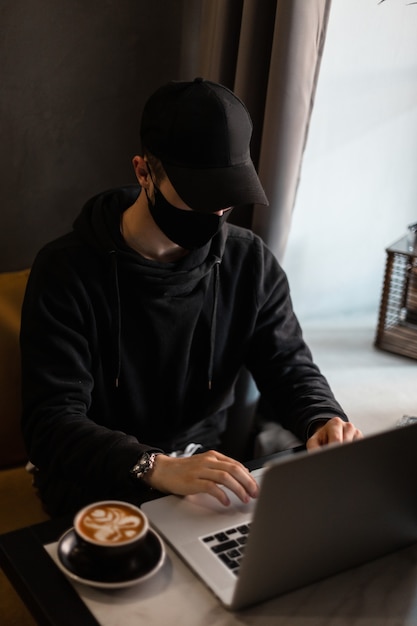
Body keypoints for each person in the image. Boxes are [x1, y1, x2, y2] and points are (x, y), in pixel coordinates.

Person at [20, 78, 362, 517]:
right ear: (143, 171)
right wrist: (153, 465)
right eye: (198, 195)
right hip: (93, 480)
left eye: (228, 197)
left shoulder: (248, 262)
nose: (215, 213)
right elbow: (50, 424)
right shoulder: (65, 271)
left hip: (204, 474)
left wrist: (322, 419)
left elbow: (288, 366)